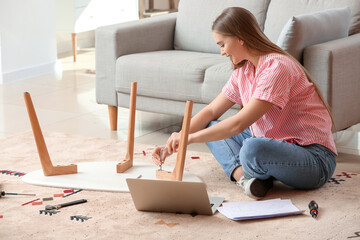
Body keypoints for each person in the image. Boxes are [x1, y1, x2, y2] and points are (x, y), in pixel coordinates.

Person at [152, 7, 337, 199]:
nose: (222, 52)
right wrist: (177, 138)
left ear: (240, 37)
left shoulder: (276, 67)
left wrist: (189, 139)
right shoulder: (244, 70)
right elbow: (211, 110)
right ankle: (247, 180)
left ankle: (255, 172)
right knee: (210, 127)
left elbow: (239, 123)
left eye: (222, 44)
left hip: (314, 159)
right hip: (277, 143)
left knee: (251, 148)